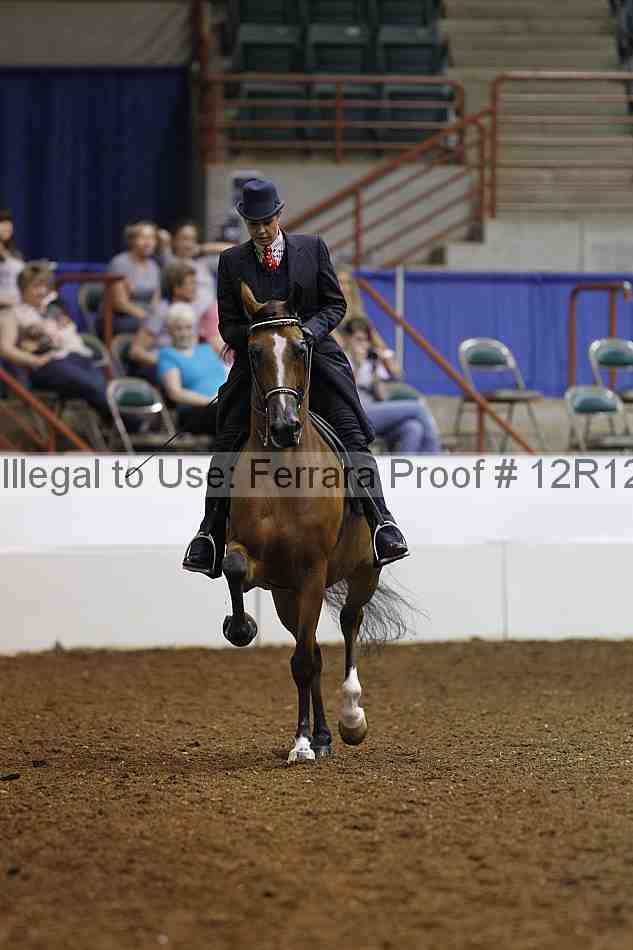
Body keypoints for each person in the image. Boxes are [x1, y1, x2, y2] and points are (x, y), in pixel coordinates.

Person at [182, 177, 409, 579]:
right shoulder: (231, 261)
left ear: (279, 216)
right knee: (228, 436)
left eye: (266, 222)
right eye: (253, 224)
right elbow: (228, 325)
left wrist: (306, 334)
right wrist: (263, 335)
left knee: (350, 431)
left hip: (313, 356)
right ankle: (209, 534)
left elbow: (334, 305)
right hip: (261, 362)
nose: (261, 230)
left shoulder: (313, 248)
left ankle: (381, 523)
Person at [0, 262, 110, 419]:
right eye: (36, 286)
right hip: (48, 364)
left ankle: (119, 421)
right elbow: (5, 348)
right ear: (23, 288)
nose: (42, 291)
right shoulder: (12, 314)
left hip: (76, 356)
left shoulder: (54, 311)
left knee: (104, 386)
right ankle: (127, 421)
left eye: (45, 286)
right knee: (93, 385)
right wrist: (34, 360)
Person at [342, 317, 442, 454]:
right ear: (347, 339)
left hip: (373, 412)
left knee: (413, 428)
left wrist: (376, 373)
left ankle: (404, 465)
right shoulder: (342, 358)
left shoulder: (369, 361)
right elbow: (345, 390)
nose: (363, 345)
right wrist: (358, 366)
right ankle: (435, 455)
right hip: (355, 414)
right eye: (358, 340)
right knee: (418, 408)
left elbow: (382, 396)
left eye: (366, 340)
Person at [128, 261, 226, 383]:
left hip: (186, 365)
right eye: (190, 283)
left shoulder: (191, 310)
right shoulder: (160, 312)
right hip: (164, 369)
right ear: (176, 288)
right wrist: (170, 362)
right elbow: (135, 352)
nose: (195, 288)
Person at [157, 302, 227, 443]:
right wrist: (210, 401)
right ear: (170, 331)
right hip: (195, 412)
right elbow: (175, 393)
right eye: (179, 328)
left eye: (188, 327)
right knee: (230, 415)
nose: (184, 333)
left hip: (222, 405)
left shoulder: (207, 349)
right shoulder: (167, 355)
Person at [157, 219, 232, 323]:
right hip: (185, 319)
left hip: (212, 317)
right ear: (174, 240)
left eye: (192, 239)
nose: (188, 244)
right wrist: (166, 241)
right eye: (184, 239)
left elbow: (234, 251)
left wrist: (202, 248)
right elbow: (162, 235)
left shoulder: (203, 263)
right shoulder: (170, 261)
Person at [102, 220, 162, 335]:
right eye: (143, 237)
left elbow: (156, 300)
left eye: (152, 238)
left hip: (146, 317)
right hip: (120, 318)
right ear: (132, 240)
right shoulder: (120, 263)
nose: (148, 242)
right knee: (154, 325)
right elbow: (120, 303)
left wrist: (156, 316)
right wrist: (147, 317)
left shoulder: (154, 266)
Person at [0, 209, 24, 309]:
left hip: (19, 304)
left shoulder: (15, 253)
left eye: (9, 223)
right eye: (2, 223)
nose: (7, 226)